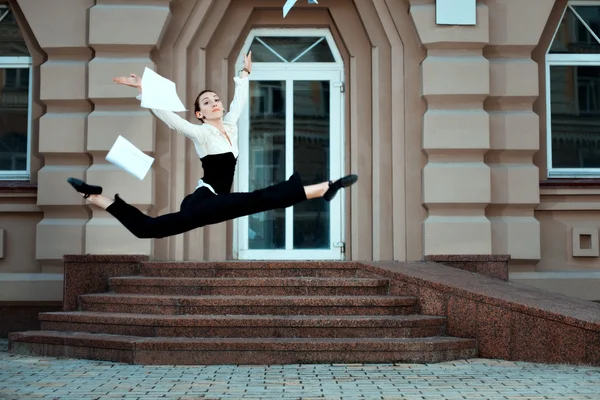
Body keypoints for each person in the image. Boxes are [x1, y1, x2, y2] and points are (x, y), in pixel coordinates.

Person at [66, 51, 358, 239]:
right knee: (150, 229)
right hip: (204, 200)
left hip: (210, 202)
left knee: (149, 229)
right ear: (199, 114)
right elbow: (171, 120)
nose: (215, 103)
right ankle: (322, 188)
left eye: (216, 99)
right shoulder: (200, 133)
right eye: (207, 102)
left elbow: (238, 103)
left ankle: (94, 197)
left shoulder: (230, 126)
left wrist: (244, 74)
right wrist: (145, 89)